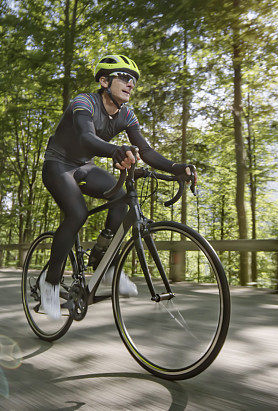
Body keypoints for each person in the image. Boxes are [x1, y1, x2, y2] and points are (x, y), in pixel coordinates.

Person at [40, 54, 195, 319]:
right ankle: (50, 283)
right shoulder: (84, 102)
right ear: (104, 81)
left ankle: (105, 263)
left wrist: (176, 167)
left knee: (123, 200)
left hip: (83, 166)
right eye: (124, 77)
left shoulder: (126, 114)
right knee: (76, 214)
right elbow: (86, 137)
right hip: (57, 165)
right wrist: (116, 150)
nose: (130, 83)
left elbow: (146, 150)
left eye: (133, 80)